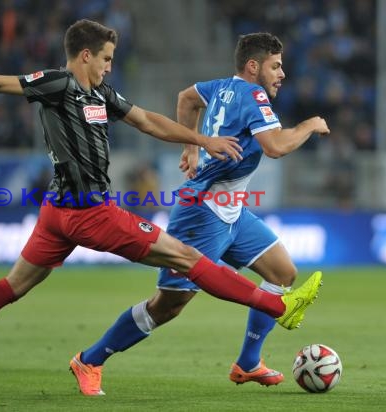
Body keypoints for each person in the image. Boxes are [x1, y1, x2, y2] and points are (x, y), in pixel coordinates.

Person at [0, 20, 322, 393]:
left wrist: (200, 142)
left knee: (12, 287)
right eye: (107, 59)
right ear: (85, 56)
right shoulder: (58, 84)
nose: (109, 66)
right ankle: (278, 308)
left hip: (56, 213)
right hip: (89, 214)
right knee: (185, 259)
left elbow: (148, 121)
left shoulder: (103, 96)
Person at [71, 32, 331, 396]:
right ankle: (90, 359)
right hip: (200, 213)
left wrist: (191, 146)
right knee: (168, 306)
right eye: (276, 66)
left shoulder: (223, 88)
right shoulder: (253, 95)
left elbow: (187, 98)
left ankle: (248, 363)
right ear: (253, 67)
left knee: (282, 272)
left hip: (232, 210)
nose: (282, 73)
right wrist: (309, 125)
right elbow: (275, 147)